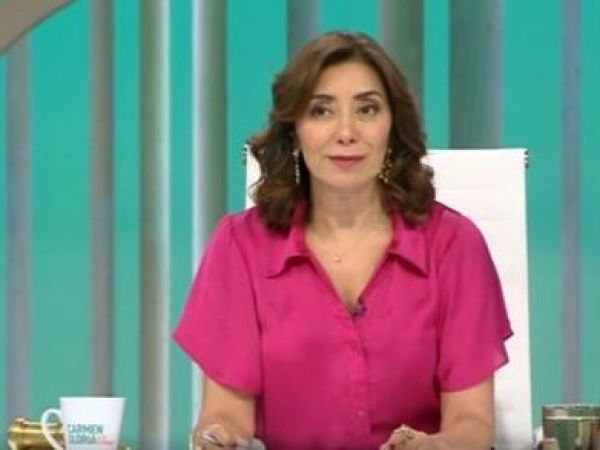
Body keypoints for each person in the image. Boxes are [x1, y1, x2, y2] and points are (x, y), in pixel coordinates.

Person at [173, 31, 513, 450]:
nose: (346, 132)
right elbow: (226, 415)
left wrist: (436, 446)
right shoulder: (240, 246)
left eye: (367, 109)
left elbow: (471, 423)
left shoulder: (454, 245)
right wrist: (219, 439)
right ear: (294, 130)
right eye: (321, 111)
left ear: (393, 126)